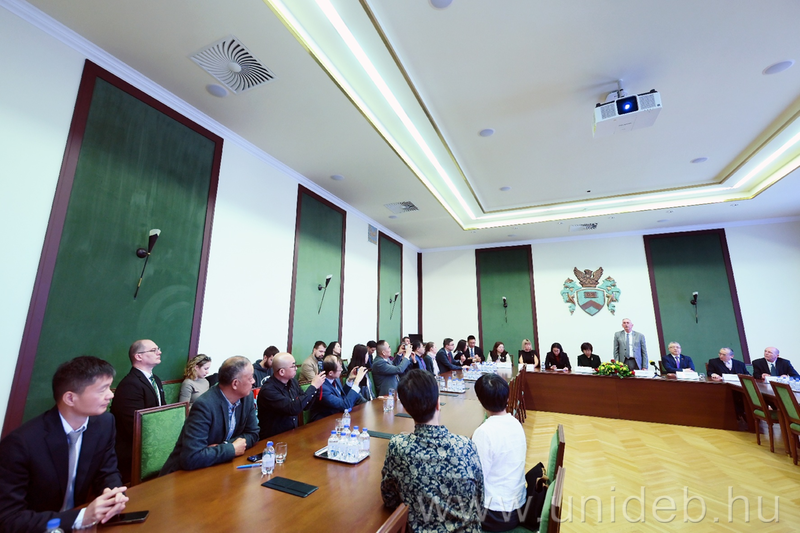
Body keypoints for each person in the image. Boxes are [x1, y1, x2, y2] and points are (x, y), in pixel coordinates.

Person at [0, 356, 128, 532]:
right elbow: (9, 518)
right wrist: (80, 517)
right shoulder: (21, 443)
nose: (111, 395)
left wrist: (114, 495)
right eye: (102, 389)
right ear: (70, 398)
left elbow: (107, 471)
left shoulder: (104, 423)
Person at [381, 370, 484, 532]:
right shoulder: (465, 446)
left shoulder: (398, 447)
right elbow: (480, 499)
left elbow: (389, 498)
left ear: (406, 409)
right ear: (438, 403)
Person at [161, 356, 259, 475]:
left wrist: (226, 446)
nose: (253, 381)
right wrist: (231, 449)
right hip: (181, 475)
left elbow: (253, 433)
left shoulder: (246, 398)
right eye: (250, 378)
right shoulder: (204, 406)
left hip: (217, 467)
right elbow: (191, 457)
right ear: (235, 383)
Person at [472, 374, 526, 531]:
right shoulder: (515, 423)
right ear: (507, 398)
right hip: (519, 505)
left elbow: (477, 479)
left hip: (497, 514)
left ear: (481, 402)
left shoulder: (484, 432)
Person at [110, 339, 166, 484]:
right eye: (153, 350)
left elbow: (164, 413)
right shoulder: (130, 384)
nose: (159, 352)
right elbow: (134, 427)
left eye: (158, 349)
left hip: (156, 441)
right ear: (138, 356)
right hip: (133, 450)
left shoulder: (155, 380)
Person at [257, 353, 326, 439]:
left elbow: (305, 406)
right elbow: (293, 408)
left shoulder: (293, 382)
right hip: (273, 439)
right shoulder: (268, 390)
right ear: (282, 371)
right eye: (293, 366)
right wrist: (313, 387)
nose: (296, 368)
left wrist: (316, 389)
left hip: (292, 433)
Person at [309, 356, 368, 422]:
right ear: (331, 373)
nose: (342, 370)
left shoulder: (335, 379)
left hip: (337, 416)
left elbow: (342, 396)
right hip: (323, 421)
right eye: (339, 370)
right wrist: (356, 382)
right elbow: (345, 406)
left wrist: (350, 380)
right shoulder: (322, 388)